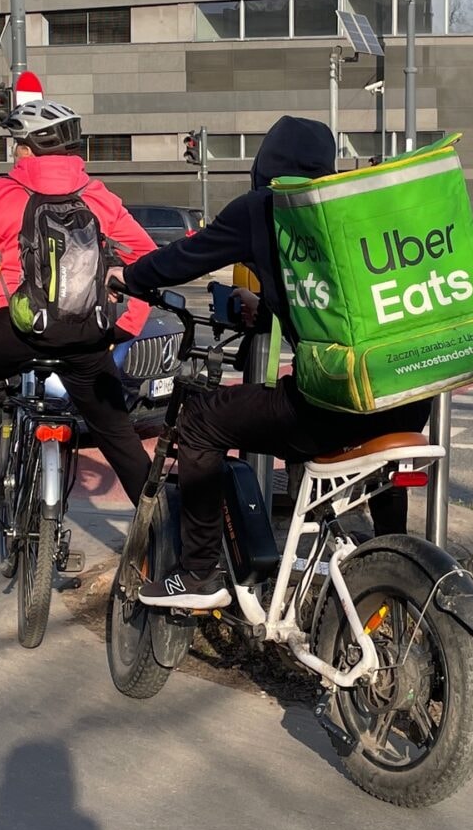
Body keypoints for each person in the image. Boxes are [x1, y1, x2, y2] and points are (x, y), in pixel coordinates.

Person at [118, 115, 431, 610]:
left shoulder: (266, 207)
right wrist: (266, 306)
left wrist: (129, 277)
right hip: (410, 397)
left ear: (264, 167)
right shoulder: (351, 209)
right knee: (380, 431)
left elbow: (182, 258)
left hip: (331, 408)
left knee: (199, 421)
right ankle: (397, 575)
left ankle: (198, 574)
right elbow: (337, 300)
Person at [0, 99, 157, 510]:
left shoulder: (0, 193)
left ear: (26, 148)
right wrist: (130, 322)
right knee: (116, 432)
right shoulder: (97, 195)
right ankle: (159, 525)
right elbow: (147, 258)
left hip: (15, 327)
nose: (14, 152)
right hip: (85, 331)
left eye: (16, 144)